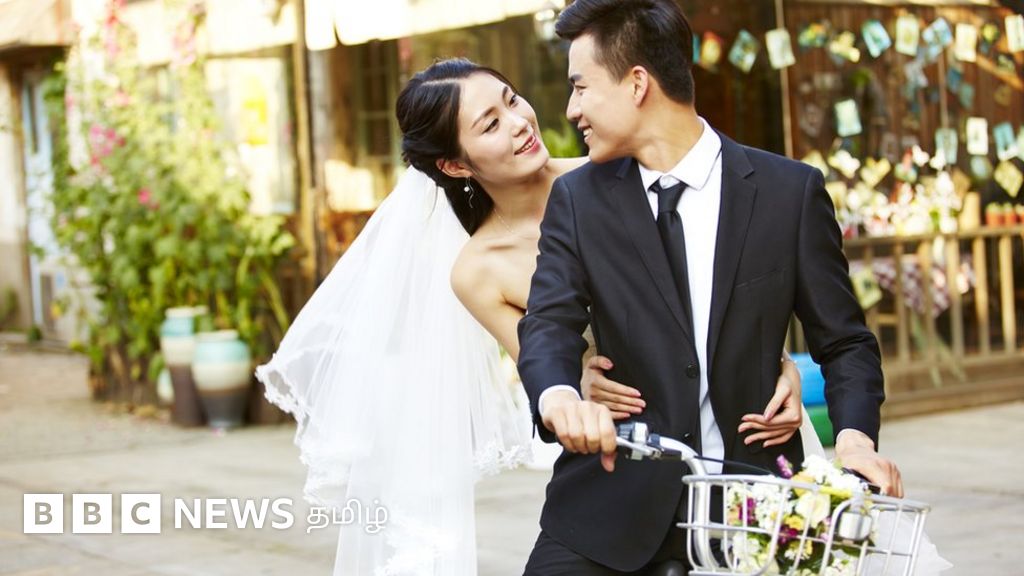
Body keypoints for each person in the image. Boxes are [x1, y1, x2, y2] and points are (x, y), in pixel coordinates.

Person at [256, 58, 807, 576]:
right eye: (491, 124)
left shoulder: (614, 173)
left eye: (512, 100)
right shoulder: (478, 271)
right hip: (617, 456)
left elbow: (714, 280)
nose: (520, 122)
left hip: (730, 431)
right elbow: (544, 362)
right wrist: (577, 384)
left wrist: (775, 358)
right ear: (455, 165)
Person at [516, 1, 904, 573]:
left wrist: (854, 441)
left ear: (638, 84)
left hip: (757, 509)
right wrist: (559, 397)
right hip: (608, 506)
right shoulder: (577, 200)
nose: (572, 109)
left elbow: (845, 342)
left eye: (580, 87)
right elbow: (548, 321)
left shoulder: (789, 193)